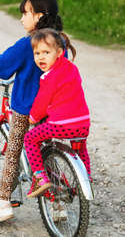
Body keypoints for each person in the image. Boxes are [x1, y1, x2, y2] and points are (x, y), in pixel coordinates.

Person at [0, 0, 76, 223]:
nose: (22, 18)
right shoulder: (59, 40)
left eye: (26, 13)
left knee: (14, 151)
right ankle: (57, 206)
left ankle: (4, 203)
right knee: (48, 152)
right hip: (55, 108)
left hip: (28, 110)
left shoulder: (29, 44)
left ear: (40, 16)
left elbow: (3, 64)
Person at [25, 28, 91, 198]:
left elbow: (42, 102)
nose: (40, 57)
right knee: (80, 148)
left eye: (46, 52)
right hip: (83, 123)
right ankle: (86, 178)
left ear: (60, 52)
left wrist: (32, 118)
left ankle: (40, 177)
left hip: (61, 125)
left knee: (30, 138)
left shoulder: (48, 77)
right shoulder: (72, 69)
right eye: (37, 53)